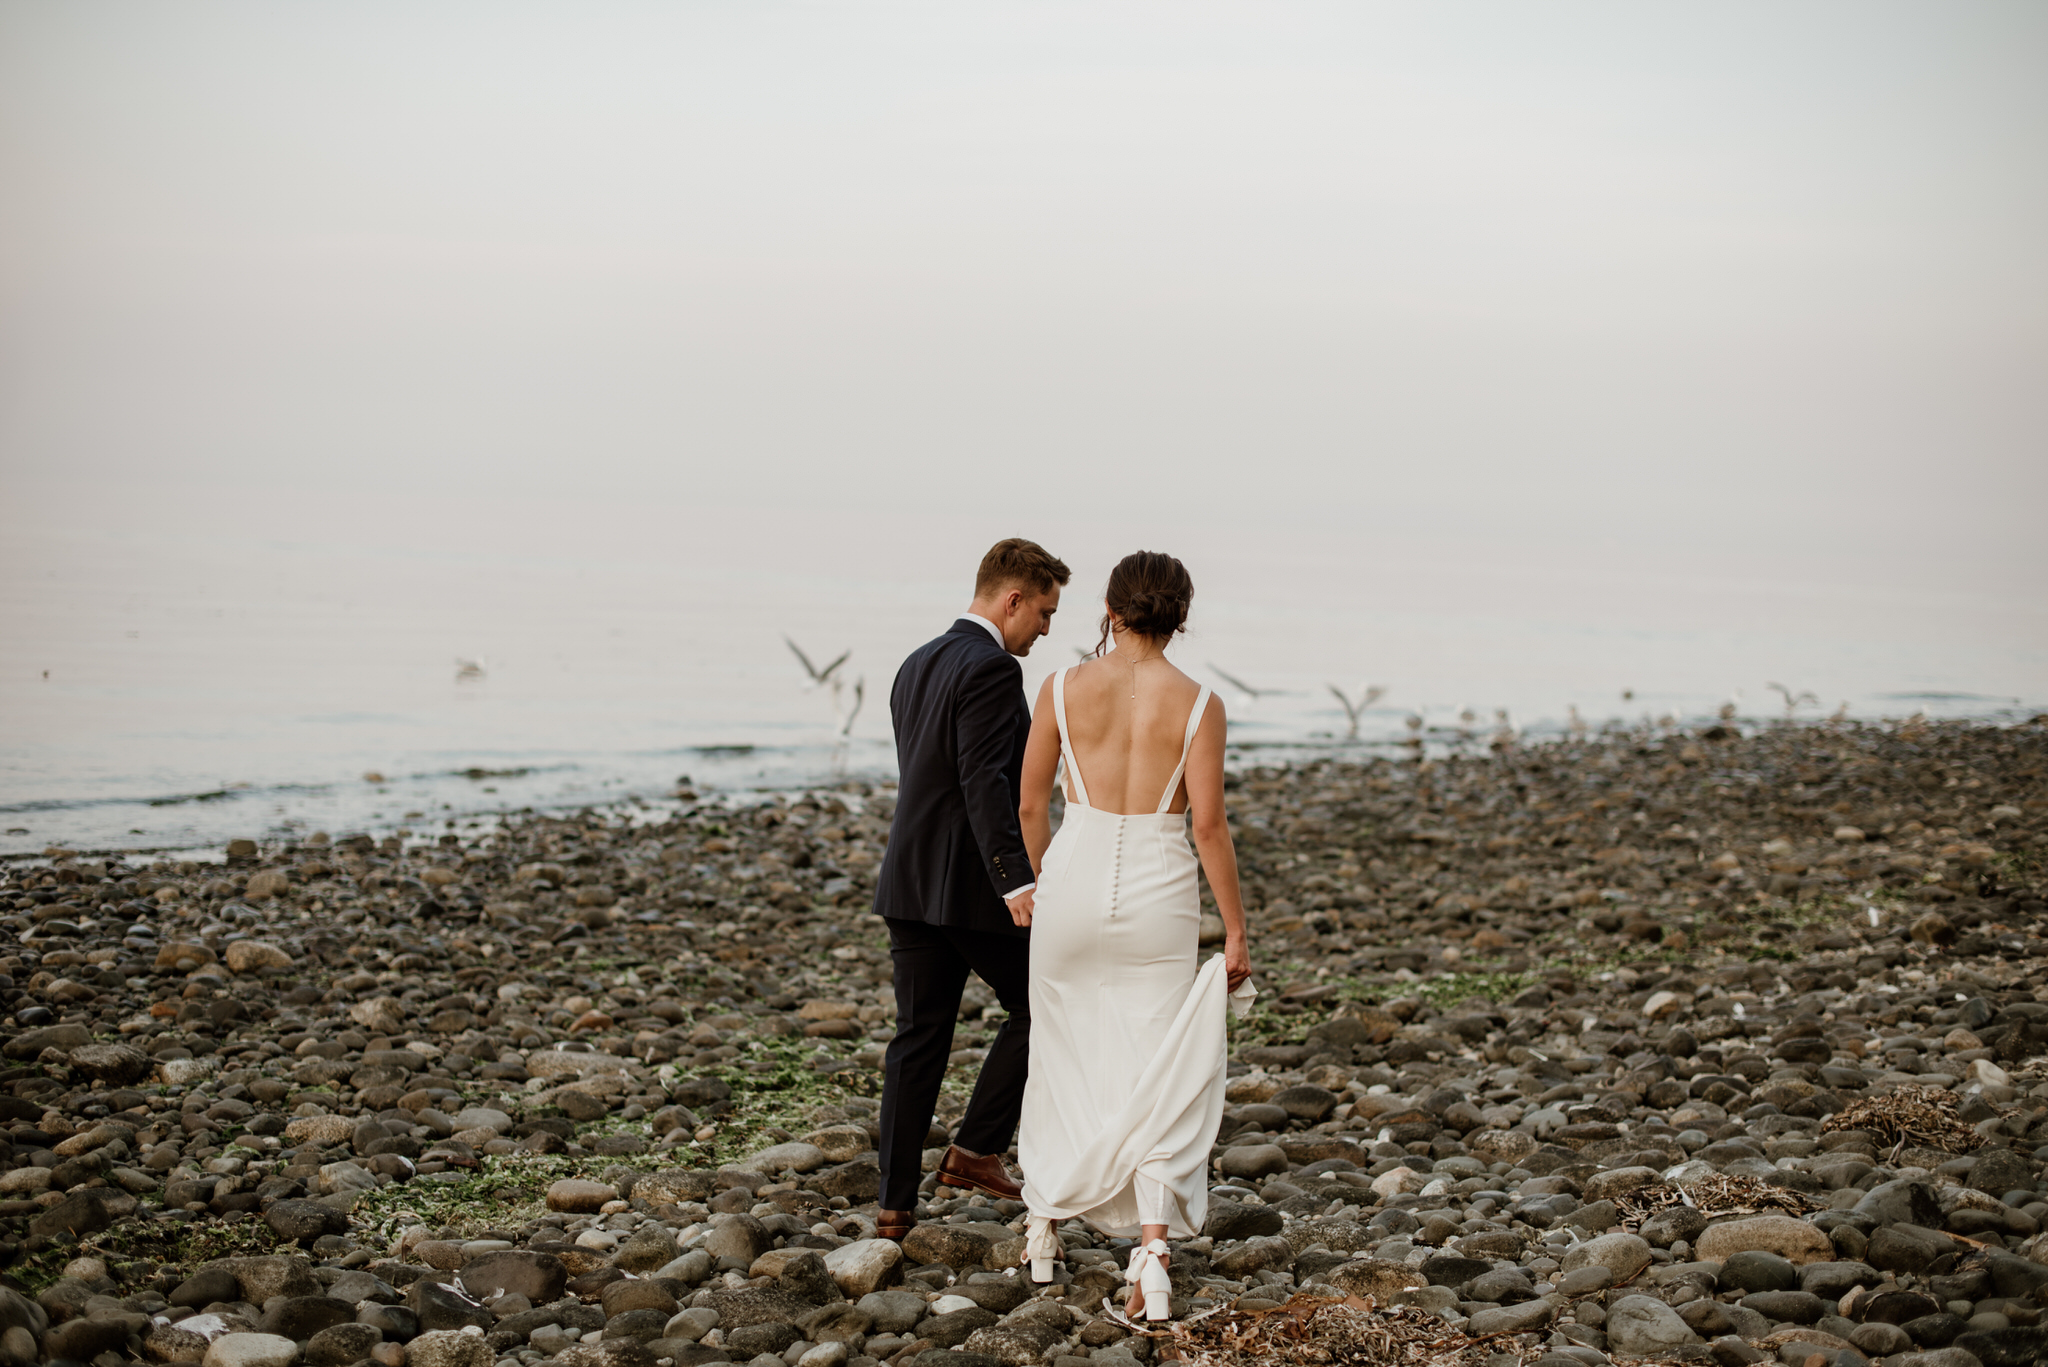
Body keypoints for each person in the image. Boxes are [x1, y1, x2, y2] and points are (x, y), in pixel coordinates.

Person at [1013, 550, 1254, 1321]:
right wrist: (1238, 932)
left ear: (1111, 609)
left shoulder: (1058, 687)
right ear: (1179, 616)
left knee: (1060, 1053)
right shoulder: (1201, 702)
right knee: (1158, 1069)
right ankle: (1151, 1256)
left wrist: (1053, 882)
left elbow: (1027, 807)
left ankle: (1045, 1226)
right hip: (1159, 886)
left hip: (1073, 877)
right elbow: (1209, 827)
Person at [870, 537, 1071, 1243]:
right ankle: (976, 1148)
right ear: (1011, 599)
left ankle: (894, 1207)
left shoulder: (915, 661)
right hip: (971, 884)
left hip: (908, 878)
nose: (1045, 628)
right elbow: (983, 780)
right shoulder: (989, 668)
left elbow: (926, 774)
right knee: (1046, 1002)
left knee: (917, 1038)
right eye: (1044, 612)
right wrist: (1015, 878)